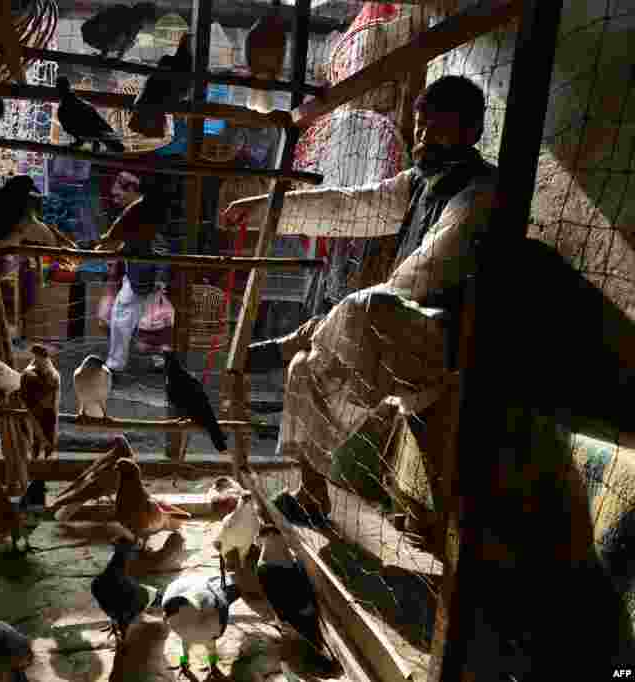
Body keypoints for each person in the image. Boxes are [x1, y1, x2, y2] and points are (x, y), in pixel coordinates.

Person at [225, 75, 497, 525]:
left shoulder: (480, 193)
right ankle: (312, 498)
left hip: (454, 342)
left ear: (471, 133)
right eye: (420, 126)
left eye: (438, 128)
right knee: (304, 367)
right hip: (403, 336)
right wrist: (267, 208)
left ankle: (294, 339)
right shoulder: (420, 182)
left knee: (363, 308)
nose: (423, 138)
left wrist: (334, 323)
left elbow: (424, 275)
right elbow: (347, 206)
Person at [103, 171, 171, 375]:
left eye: (118, 195)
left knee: (140, 319)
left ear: (132, 190)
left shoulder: (144, 210)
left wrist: (160, 280)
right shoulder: (134, 210)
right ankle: (156, 359)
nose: (116, 200)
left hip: (146, 277)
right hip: (137, 275)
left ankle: (117, 365)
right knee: (137, 319)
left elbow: (160, 248)